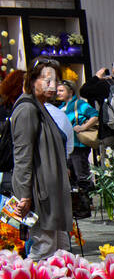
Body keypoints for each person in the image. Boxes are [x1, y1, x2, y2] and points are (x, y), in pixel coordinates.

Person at [10, 60, 73, 259]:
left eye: (56, 81)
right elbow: (22, 156)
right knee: (43, 249)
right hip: (39, 195)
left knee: (60, 251)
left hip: (51, 193)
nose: (53, 86)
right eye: (47, 80)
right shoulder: (27, 109)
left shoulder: (40, 107)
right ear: (32, 80)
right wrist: (24, 196)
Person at [58, 79, 96, 217]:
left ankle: (85, 204)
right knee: (71, 176)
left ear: (71, 91)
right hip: (67, 146)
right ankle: (77, 205)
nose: (58, 93)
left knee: (81, 175)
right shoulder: (61, 106)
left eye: (61, 90)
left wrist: (83, 127)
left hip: (78, 145)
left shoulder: (79, 104)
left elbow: (95, 115)